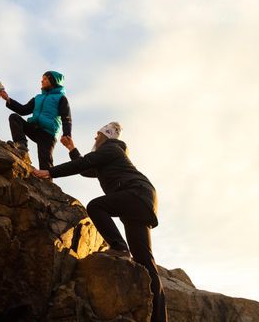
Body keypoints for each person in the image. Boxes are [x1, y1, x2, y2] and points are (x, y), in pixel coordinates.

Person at [32, 122, 168, 322]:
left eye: (98, 135)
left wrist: (50, 172)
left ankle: (119, 247)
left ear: (106, 136)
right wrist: (72, 149)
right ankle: (159, 319)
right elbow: (86, 168)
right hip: (142, 200)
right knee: (145, 261)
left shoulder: (111, 148)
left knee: (95, 206)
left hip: (136, 193)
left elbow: (85, 163)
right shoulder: (109, 156)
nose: (95, 138)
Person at [4, 71, 72, 170]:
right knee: (14, 117)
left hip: (48, 134)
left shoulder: (61, 98)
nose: (42, 81)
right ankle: (21, 145)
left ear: (53, 81)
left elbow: (66, 117)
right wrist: (8, 99)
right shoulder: (38, 98)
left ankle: (48, 183)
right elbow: (23, 110)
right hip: (34, 128)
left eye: (45, 79)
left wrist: (67, 134)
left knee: (45, 163)